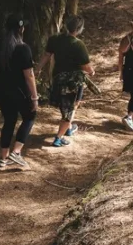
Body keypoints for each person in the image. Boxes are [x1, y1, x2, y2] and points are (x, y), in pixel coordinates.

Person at [37, 15, 94, 147]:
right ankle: (59, 138)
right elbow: (86, 66)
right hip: (73, 82)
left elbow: (46, 55)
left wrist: (38, 68)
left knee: (66, 106)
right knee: (71, 108)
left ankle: (67, 128)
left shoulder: (55, 39)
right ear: (79, 29)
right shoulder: (78, 44)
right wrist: (91, 72)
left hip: (58, 78)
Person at [0, 15, 37, 168]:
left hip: (2, 90)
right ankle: (16, 152)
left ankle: (3, 158)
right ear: (21, 29)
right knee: (30, 117)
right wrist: (35, 97)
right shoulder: (23, 48)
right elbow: (29, 75)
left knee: (9, 120)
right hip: (20, 91)